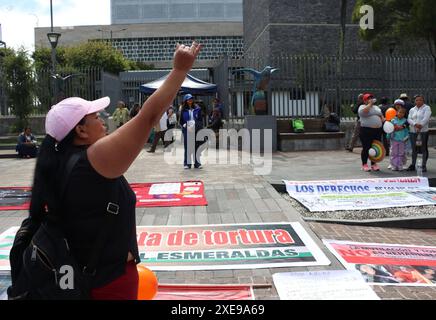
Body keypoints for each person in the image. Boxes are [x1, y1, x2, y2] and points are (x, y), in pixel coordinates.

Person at [26, 42, 202, 300]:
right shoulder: (92, 159)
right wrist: (179, 70)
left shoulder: (60, 162)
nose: (104, 118)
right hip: (107, 284)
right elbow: (148, 116)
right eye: (96, 117)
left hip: (86, 278)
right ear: (81, 130)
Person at [358, 93, 384, 172]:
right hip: (366, 130)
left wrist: (383, 119)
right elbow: (364, 112)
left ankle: (373, 164)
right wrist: (370, 104)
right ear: (365, 100)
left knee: (376, 147)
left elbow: (380, 115)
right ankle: (364, 164)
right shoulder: (362, 107)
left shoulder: (376, 107)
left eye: (371, 98)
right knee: (366, 147)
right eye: (368, 98)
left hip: (377, 130)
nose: (371, 99)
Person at [407, 94, 432, 172]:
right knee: (414, 148)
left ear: (423, 100)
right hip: (413, 131)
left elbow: (426, 118)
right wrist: (415, 124)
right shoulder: (412, 109)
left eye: (420, 100)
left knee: (423, 148)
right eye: (417, 100)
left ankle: (423, 165)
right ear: (414, 101)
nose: (418, 101)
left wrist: (420, 125)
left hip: (423, 131)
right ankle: (413, 164)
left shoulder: (426, 108)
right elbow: (409, 119)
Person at [179, 93, 203, 169]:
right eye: (189, 99)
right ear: (185, 101)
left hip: (195, 129)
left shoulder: (197, 109)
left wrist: (197, 125)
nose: (190, 100)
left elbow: (200, 120)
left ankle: (197, 163)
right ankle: (187, 164)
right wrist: (184, 125)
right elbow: (181, 121)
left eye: (191, 99)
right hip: (187, 130)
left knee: (196, 147)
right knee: (188, 147)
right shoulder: (183, 110)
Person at [387, 107, 409, 171]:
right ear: (397, 113)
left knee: (401, 153)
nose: (401, 114)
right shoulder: (393, 120)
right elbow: (389, 129)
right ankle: (393, 165)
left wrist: (406, 137)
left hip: (402, 140)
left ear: (404, 114)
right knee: (394, 153)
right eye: (400, 112)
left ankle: (400, 165)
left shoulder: (405, 121)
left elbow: (406, 131)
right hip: (394, 139)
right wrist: (388, 136)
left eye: (403, 113)